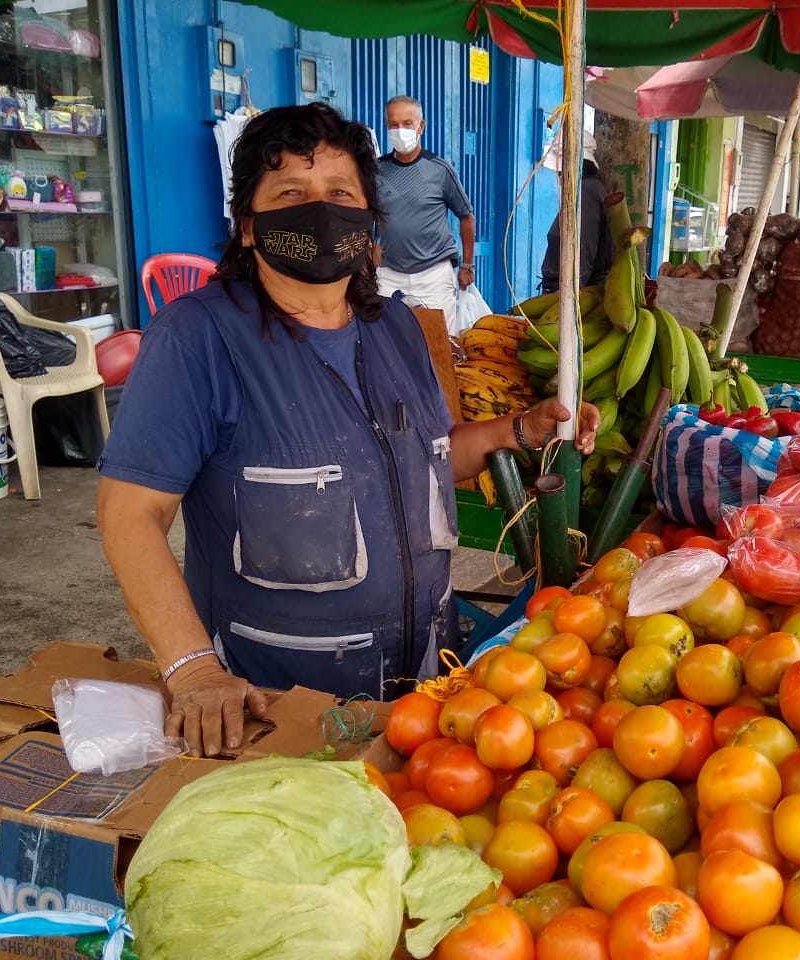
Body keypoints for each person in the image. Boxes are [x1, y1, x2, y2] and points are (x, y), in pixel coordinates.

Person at [96, 103, 599, 757]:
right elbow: (127, 514)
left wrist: (520, 430)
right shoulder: (198, 337)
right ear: (249, 226)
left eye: (339, 194)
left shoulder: (395, 328)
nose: (319, 210)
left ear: (366, 222)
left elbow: (426, 459)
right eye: (291, 194)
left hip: (422, 692)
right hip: (281, 711)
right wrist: (192, 669)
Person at [376, 95, 475, 332]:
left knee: (439, 345)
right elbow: (366, 218)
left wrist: (468, 265)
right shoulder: (376, 170)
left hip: (433, 276)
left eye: (407, 123)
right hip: (389, 275)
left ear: (421, 126)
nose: (400, 130)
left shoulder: (439, 169)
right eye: (393, 124)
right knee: (388, 342)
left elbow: (466, 216)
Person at [539, 129, 615, 294]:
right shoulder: (587, 190)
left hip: (577, 293)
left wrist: (570, 294)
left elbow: (583, 246)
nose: (558, 175)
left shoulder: (586, 192)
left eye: (560, 170)